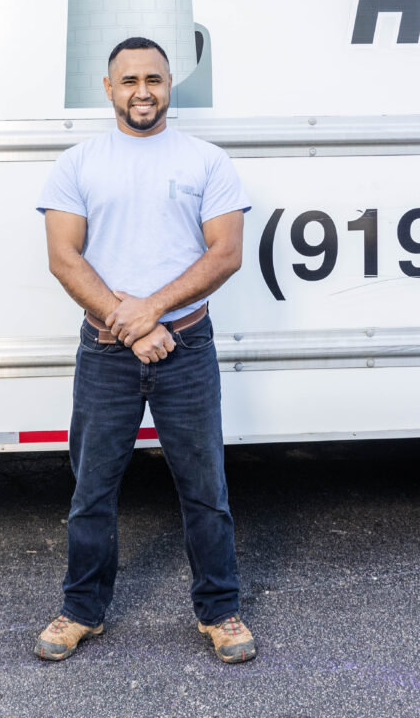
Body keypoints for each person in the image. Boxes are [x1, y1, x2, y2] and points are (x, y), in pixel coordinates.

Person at [34, 37, 255, 664]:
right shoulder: (76, 164)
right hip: (105, 351)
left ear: (169, 85)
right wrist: (128, 323)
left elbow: (226, 253)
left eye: (153, 79)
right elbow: (62, 257)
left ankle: (220, 612)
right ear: (108, 88)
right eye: (128, 79)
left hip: (185, 347)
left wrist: (149, 312)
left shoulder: (207, 161)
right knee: (92, 491)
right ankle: (82, 611)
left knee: (204, 487)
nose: (142, 91)